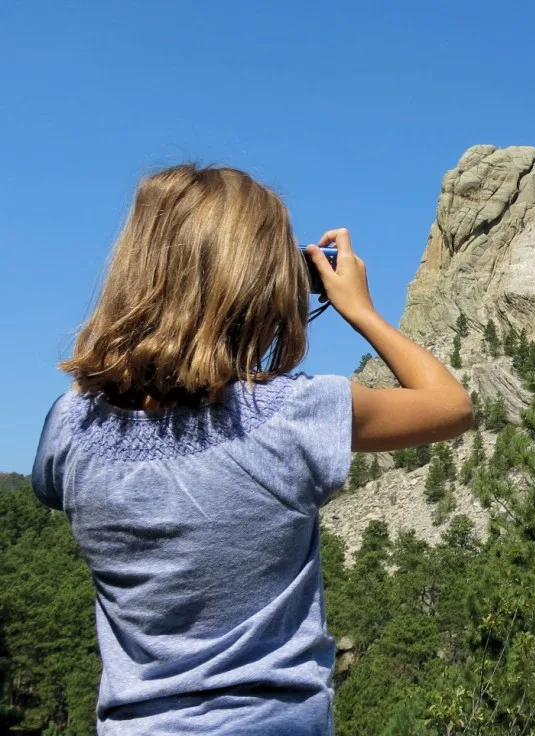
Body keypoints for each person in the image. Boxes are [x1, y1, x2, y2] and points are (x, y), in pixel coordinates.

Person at [31, 164, 474, 734]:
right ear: (261, 287)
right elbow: (451, 405)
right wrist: (358, 309)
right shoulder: (289, 414)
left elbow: (67, 457)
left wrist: (134, 335)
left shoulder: (72, 426)